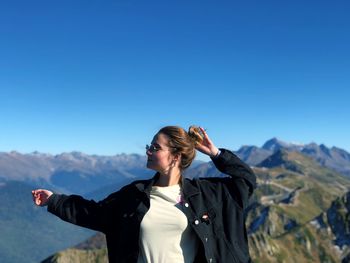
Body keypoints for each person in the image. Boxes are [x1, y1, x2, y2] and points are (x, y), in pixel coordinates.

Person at [32, 126, 256, 263]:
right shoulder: (135, 195)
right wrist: (53, 200)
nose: (148, 151)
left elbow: (245, 180)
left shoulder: (205, 194)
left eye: (156, 148)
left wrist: (215, 153)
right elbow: (93, 213)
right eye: (149, 145)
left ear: (175, 156)